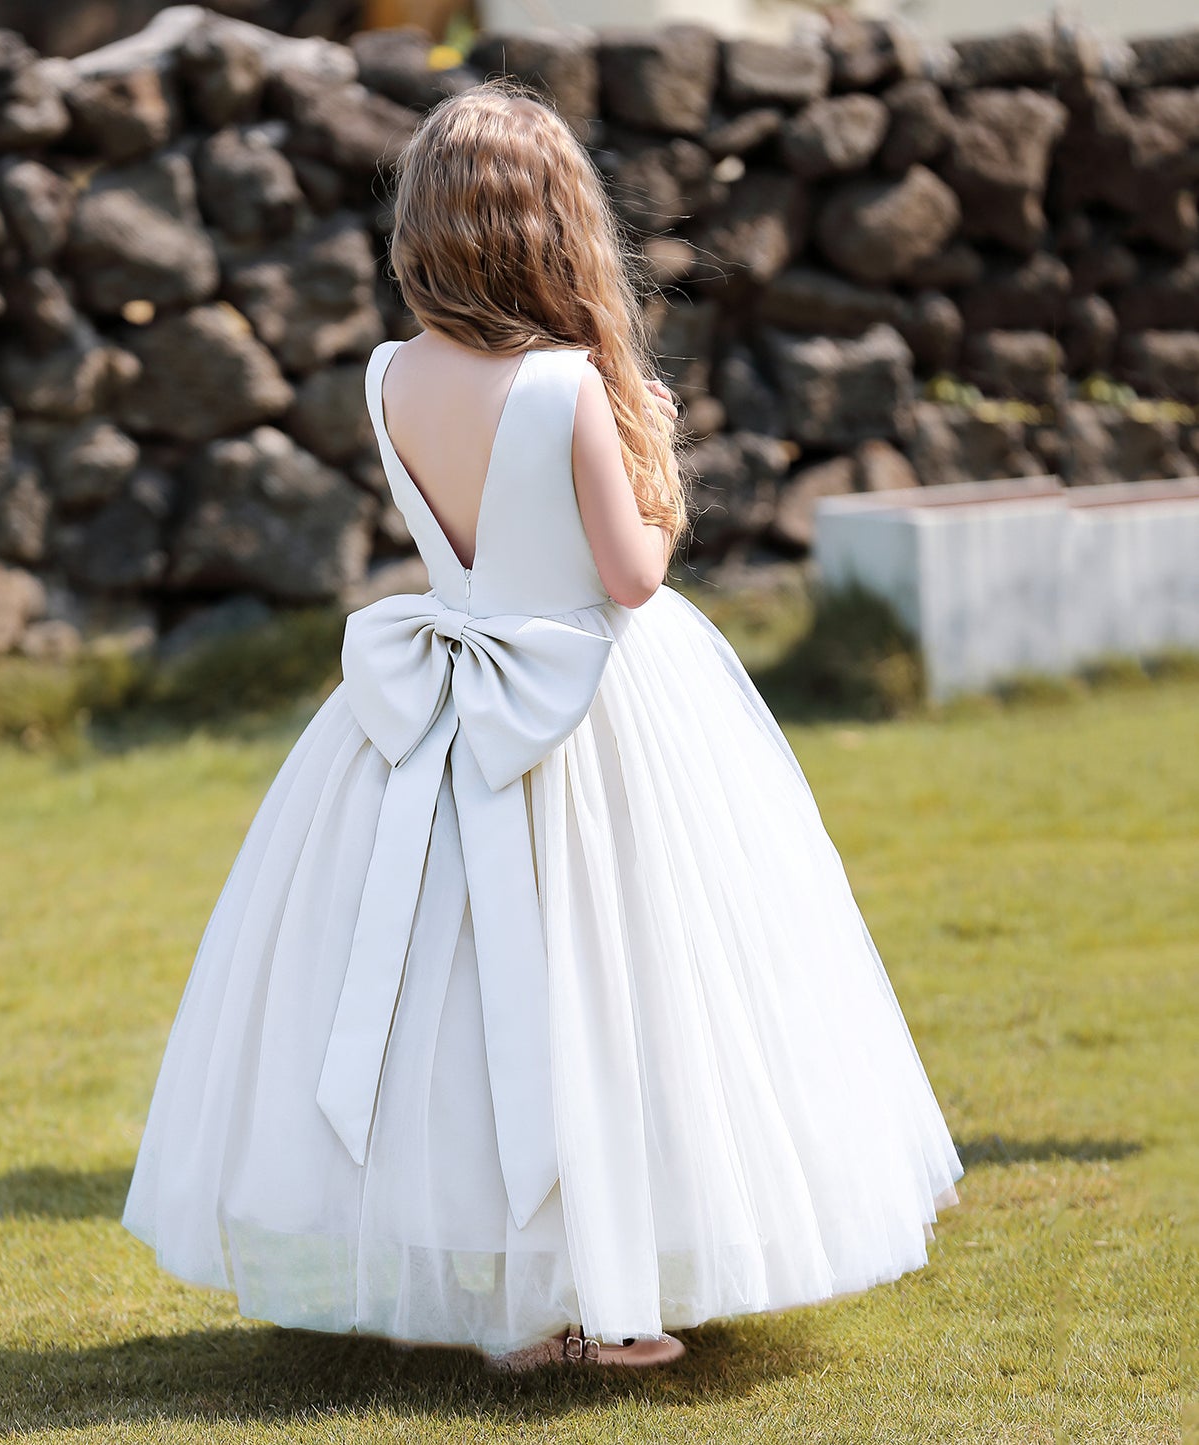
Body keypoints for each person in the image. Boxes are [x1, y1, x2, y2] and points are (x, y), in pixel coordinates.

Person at [121, 76, 964, 1373]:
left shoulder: (385, 373)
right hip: (587, 708)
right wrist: (659, 468)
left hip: (431, 706)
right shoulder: (569, 385)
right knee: (603, 975)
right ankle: (594, 1289)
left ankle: (510, 1295)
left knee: (452, 993)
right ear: (554, 229)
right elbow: (630, 575)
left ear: (424, 230)